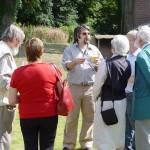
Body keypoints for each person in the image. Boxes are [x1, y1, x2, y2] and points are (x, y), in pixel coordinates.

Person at [8, 38, 62, 150]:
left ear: (26, 52)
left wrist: (23, 96)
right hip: (49, 114)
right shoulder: (52, 69)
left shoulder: (17, 73)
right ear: (41, 52)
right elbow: (61, 93)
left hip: (27, 116)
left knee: (30, 147)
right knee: (48, 147)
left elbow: (12, 100)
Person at [62, 24, 103, 150]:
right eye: (84, 33)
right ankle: (68, 145)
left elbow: (102, 68)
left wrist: (98, 65)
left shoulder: (95, 50)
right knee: (71, 118)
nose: (87, 36)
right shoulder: (69, 49)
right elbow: (65, 66)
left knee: (89, 118)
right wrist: (74, 62)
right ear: (77, 35)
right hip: (75, 87)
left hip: (91, 88)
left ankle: (86, 143)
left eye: (88, 33)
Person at [93, 35, 131, 150]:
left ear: (114, 48)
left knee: (104, 137)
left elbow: (98, 84)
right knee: (118, 136)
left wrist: (95, 98)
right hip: (121, 102)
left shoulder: (106, 63)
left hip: (106, 102)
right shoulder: (128, 63)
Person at [0, 24, 25, 150]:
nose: (19, 45)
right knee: (3, 138)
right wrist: (16, 86)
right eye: (20, 42)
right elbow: (2, 79)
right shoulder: (4, 52)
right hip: (3, 102)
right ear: (15, 39)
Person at [132, 25, 150, 150]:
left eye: (136, 37)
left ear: (141, 39)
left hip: (144, 103)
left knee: (143, 140)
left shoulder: (142, 55)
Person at [125, 30, 141, 150]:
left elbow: (139, 79)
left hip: (135, 95)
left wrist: (122, 77)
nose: (127, 41)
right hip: (124, 94)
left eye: (129, 39)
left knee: (135, 127)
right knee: (126, 128)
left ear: (136, 40)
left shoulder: (141, 56)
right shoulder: (126, 55)